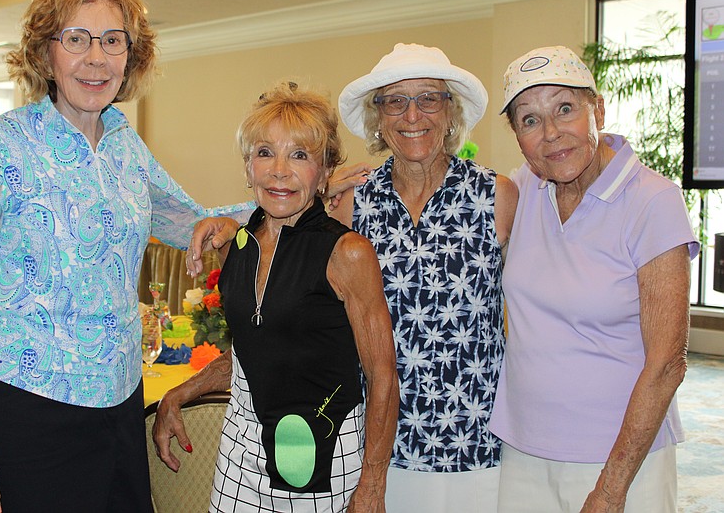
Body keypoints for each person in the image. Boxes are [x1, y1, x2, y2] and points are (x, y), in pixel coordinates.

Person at [0, 0, 250, 513]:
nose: (95, 58)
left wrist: (300, 195)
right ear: (45, 51)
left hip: (119, 405)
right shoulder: (0, 145)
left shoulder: (126, 145)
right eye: (76, 38)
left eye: (112, 40)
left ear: (131, 55)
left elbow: (194, 223)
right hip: (23, 408)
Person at [187, 43, 518, 512]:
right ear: (377, 117)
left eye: (429, 99)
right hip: (366, 440)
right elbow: (288, 216)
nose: (412, 115)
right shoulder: (355, 201)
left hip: (469, 437)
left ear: (451, 111)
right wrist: (233, 226)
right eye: (395, 101)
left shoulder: (497, 197)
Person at [154, 82, 399, 512]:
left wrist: (372, 484)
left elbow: (382, 377)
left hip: (318, 453)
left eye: (300, 155)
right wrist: (179, 393)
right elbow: (253, 355)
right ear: (248, 167)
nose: (279, 170)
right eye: (265, 152)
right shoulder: (239, 246)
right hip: (240, 449)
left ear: (324, 173)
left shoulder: (347, 253)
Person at [488, 46, 698, 513]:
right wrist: (329, 188)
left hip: (619, 461)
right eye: (529, 120)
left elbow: (668, 363)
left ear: (597, 109)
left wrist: (610, 488)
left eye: (565, 109)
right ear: (517, 135)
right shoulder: (523, 187)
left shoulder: (652, 200)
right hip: (522, 450)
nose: (551, 134)